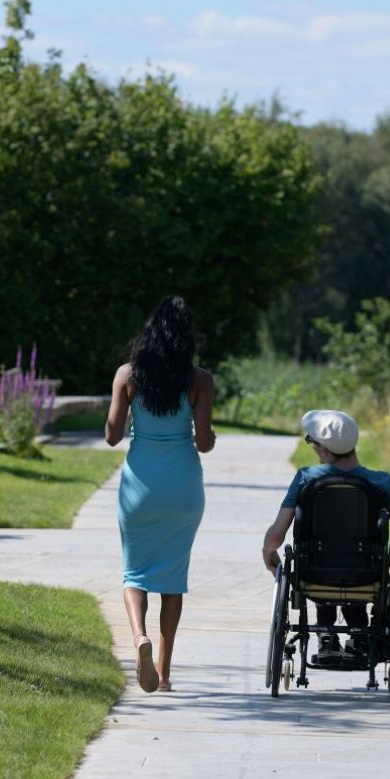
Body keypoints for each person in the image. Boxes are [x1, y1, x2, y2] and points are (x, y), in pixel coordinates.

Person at [105, 295, 216, 692]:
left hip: (139, 486)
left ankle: (139, 639)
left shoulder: (128, 375)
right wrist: (209, 433)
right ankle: (165, 674)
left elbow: (111, 436)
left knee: (135, 573)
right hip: (183, 488)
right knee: (173, 578)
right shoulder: (200, 380)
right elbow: (203, 444)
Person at [261, 409, 390, 660]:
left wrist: (268, 552)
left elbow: (276, 537)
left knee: (322, 557)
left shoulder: (305, 479)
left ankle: (327, 636)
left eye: (312, 442)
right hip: (368, 575)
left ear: (324, 449)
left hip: (314, 573)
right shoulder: (383, 483)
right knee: (358, 561)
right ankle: (359, 636)